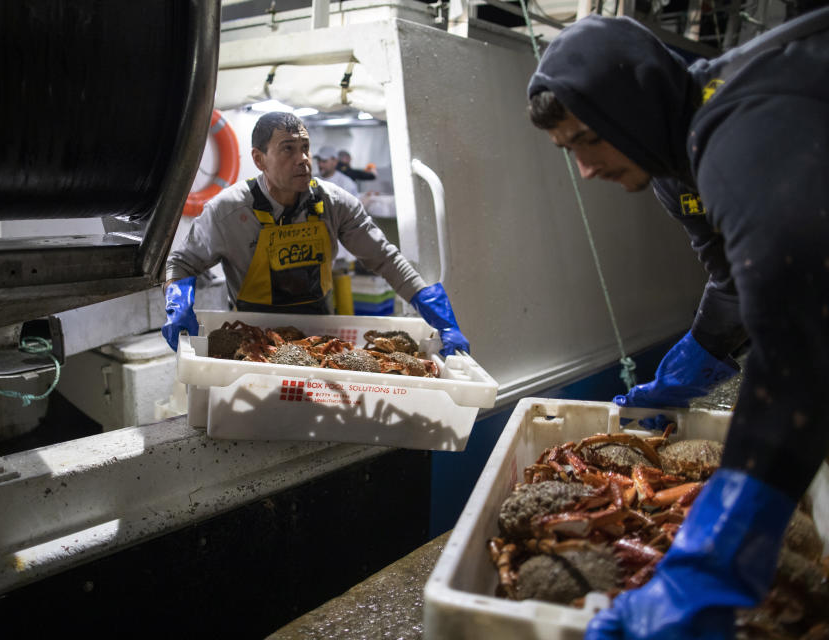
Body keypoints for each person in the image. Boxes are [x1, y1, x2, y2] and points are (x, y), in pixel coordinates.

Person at [527, 8, 829, 639]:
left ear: (629, 109)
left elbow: (797, 344)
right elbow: (737, 281)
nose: (585, 170)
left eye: (587, 139)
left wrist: (710, 566)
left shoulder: (741, 130)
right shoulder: (674, 166)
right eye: (567, 151)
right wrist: (694, 364)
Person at [162, 111, 470, 357]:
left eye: (305, 148)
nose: (303, 159)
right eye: (288, 150)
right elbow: (182, 262)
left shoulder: (334, 203)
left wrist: (438, 314)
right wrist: (178, 307)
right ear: (259, 159)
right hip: (252, 342)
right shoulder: (228, 212)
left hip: (322, 339)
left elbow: (385, 259)